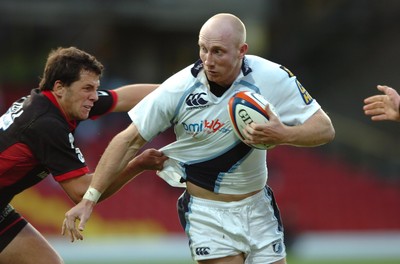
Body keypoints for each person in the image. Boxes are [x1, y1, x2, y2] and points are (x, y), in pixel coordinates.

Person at [63, 14, 335, 264]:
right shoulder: (179, 87)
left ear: (242, 51)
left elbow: (324, 129)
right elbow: (127, 140)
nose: (208, 59)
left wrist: (284, 134)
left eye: (218, 51)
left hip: (258, 208)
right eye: (203, 49)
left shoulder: (272, 77)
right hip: (207, 213)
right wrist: (89, 199)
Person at [0, 46, 168, 264]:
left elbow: (122, 98)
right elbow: (83, 192)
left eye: (96, 88)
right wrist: (137, 165)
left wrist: (181, 92)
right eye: (87, 88)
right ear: (60, 87)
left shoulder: (55, 103)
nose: (94, 96)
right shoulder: (46, 125)